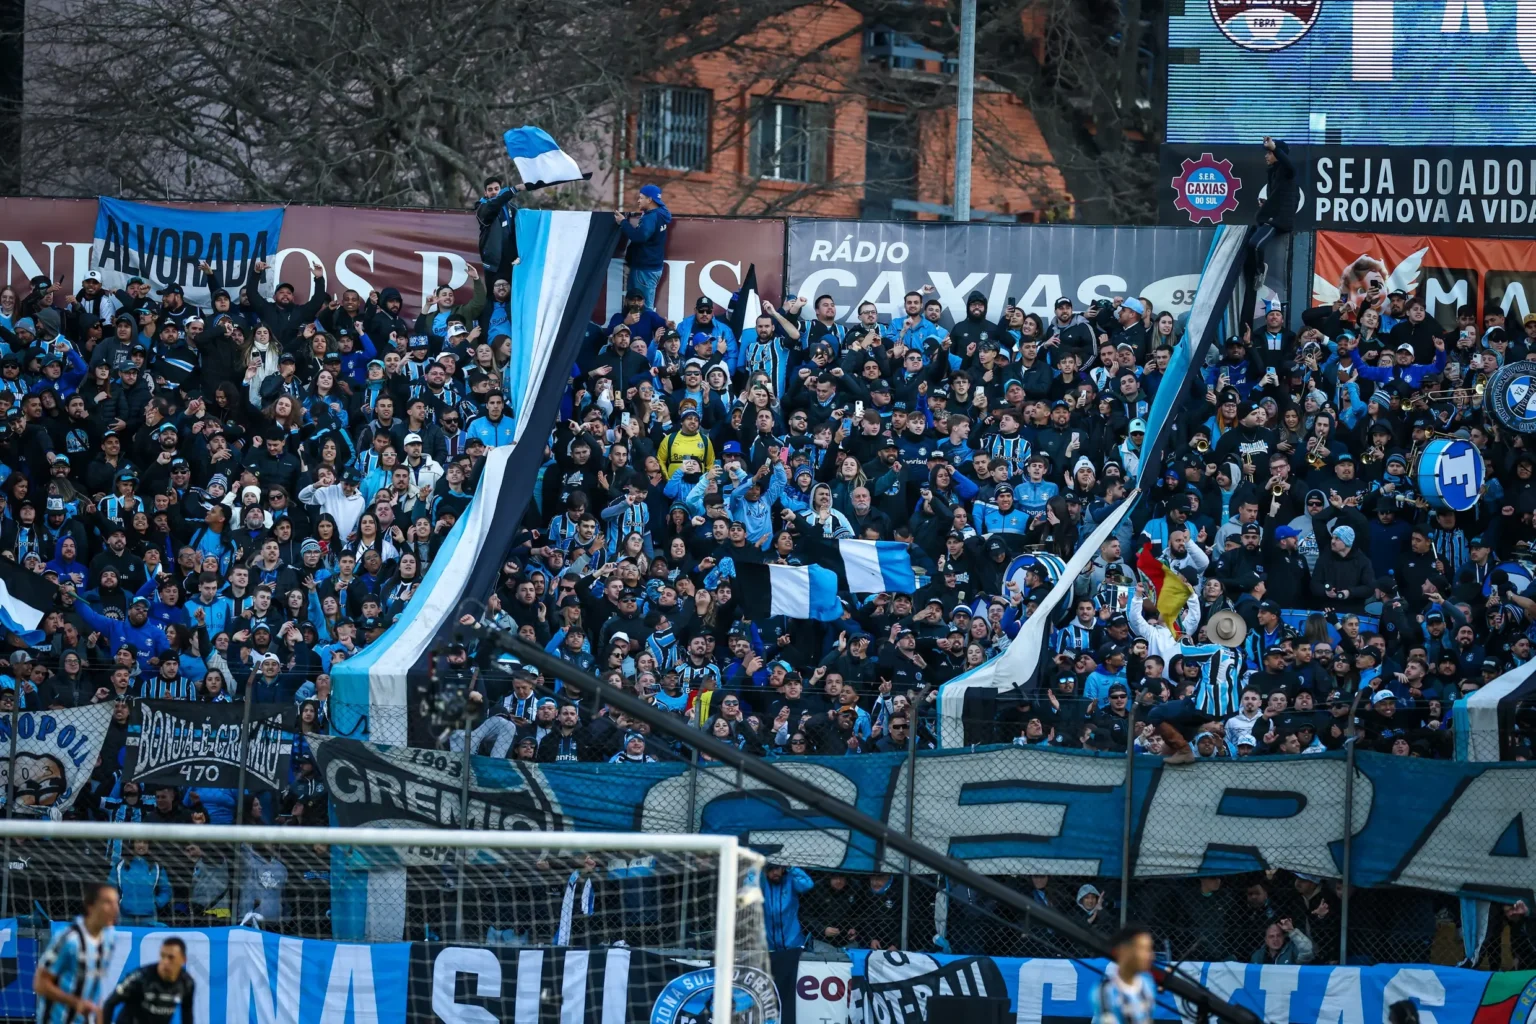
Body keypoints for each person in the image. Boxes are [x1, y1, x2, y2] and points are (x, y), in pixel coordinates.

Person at [35, 882, 119, 1024]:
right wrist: (75, 1002)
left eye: (116, 902)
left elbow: (94, 987)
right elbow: (40, 984)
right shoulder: (69, 939)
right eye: (107, 903)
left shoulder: (109, 939)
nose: (115, 909)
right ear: (90, 906)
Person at [100, 936, 196, 1024]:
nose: (165, 962)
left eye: (171, 957)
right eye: (162, 956)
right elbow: (109, 1004)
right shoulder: (140, 978)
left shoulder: (187, 983)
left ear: (183, 960)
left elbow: (187, 1014)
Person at [1091, 924, 1158, 1024]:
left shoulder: (1146, 981)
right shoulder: (1107, 989)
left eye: (1149, 949)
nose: (1151, 956)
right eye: (1143, 949)